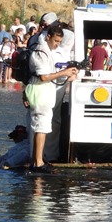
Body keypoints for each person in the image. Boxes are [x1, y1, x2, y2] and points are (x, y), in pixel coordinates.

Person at [27, 23, 79, 174]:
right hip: (40, 91)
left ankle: (38, 160)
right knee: (40, 127)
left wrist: (67, 75)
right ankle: (38, 162)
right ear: (48, 37)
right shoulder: (41, 51)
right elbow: (43, 76)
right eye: (56, 41)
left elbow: (49, 76)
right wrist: (64, 73)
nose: (57, 44)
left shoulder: (46, 51)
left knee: (42, 127)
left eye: (59, 42)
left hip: (44, 91)